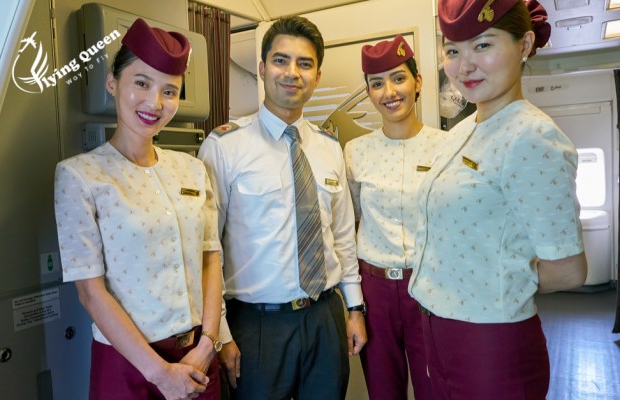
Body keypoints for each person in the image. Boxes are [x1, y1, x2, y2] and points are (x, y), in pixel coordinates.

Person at [409, 1, 588, 399]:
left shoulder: (532, 136)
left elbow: (568, 271)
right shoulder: (461, 132)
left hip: (489, 340)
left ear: (524, 45)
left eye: (483, 45)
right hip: (436, 328)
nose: (464, 66)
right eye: (453, 50)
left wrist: (495, 281)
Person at [198, 15, 367, 400]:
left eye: (304, 64)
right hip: (257, 325)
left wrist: (355, 307)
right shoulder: (224, 146)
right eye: (280, 60)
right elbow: (208, 249)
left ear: (317, 76)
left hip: (325, 315)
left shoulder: (329, 147)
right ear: (262, 68)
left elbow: (342, 237)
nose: (292, 72)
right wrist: (219, 334)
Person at [54, 18, 223, 400]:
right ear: (112, 83)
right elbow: (90, 292)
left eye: (169, 91)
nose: (155, 103)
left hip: (197, 357)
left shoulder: (193, 170)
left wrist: (208, 344)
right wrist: (160, 374)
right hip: (128, 364)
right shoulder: (80, 176)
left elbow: (211, 258)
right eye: (142, 83)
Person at [343, 34, 442, 400]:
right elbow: (351, 223)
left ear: (418, 82)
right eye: (376, 83)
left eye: (399, 78)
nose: (389, 92)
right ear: (369, 92)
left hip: (430, 284)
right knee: (383, 391)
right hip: (375, 291)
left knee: (435, 387)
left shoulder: (447, 147)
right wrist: (353, 305)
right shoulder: (355, 152)